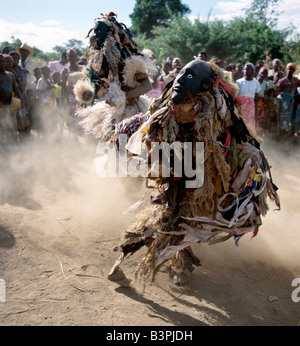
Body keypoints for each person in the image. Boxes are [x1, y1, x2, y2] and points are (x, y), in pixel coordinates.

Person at [108, 58, 280, 287]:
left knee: (186, 213)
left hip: (202, 168)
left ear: (206, 87)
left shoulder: (216, 110)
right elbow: (148, 127)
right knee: (173, 211)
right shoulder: (166, 107)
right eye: (181, 75)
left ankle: (177, 260)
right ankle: (161, 258)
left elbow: (235, 137)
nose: (181, 80)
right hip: (177, 163)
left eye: (190, 77)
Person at [0, 53, 24, 146]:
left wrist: (22, 99)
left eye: (3, 61)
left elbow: (16, 89)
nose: (2, 63)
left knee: (11, 127)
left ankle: (12, 147)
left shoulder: (10, 75)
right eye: (0, 62)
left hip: (10, 107)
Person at [275, 63, 300, 132]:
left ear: (293, 71)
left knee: (292, 117)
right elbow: (277, 90)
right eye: (288, 69)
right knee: (283, 116)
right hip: (284, 103)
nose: (289, 71)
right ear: (286, 70)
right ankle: (282, 132)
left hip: (292, 102)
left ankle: (291, 133)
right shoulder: (282, 81)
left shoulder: (296, 80)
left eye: (291, 69)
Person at [235, 63, 261, 130]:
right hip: (241, 106)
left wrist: (256, 111)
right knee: (241, 123)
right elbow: (236, 96)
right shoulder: (239, 82)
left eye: (248, 69)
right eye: (245, 69)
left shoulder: (256, 83)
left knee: (250, 125)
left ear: (252, 71)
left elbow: (256, 98)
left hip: (251, 107)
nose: (246, 70)